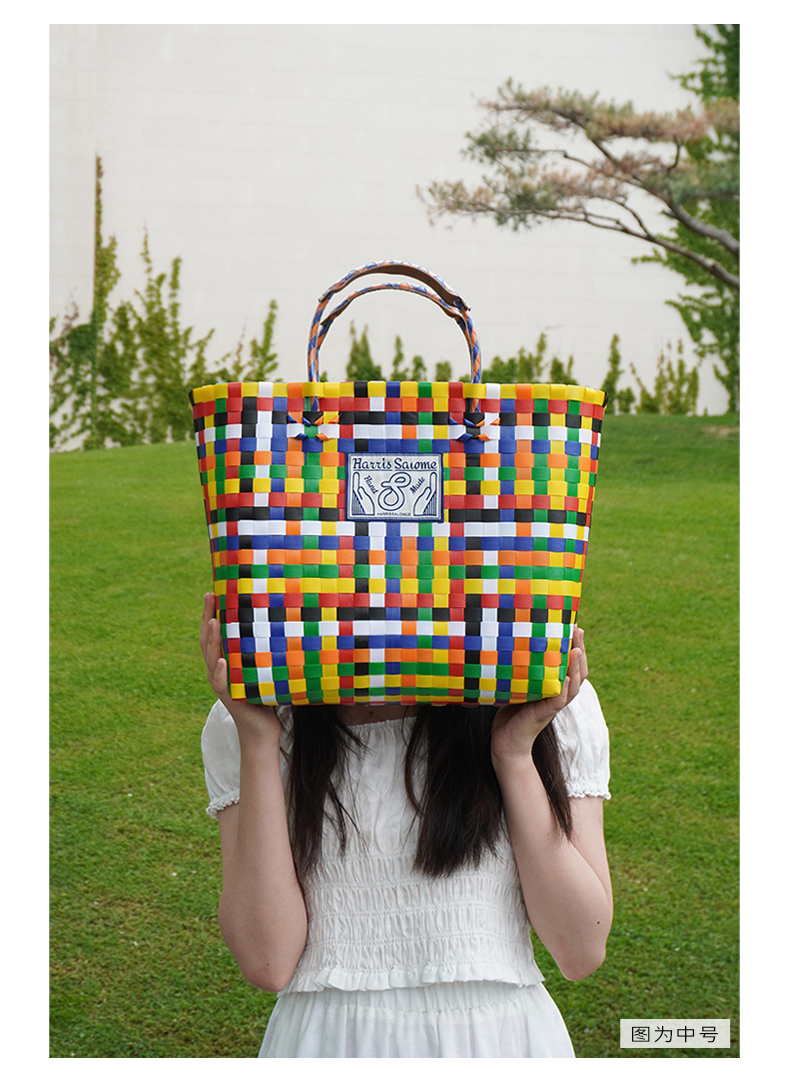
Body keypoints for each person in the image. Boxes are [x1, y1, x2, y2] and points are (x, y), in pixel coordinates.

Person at [199, 591, 612, 1058]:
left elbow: (581, 948)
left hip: (498, 1044)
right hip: (330, 1047)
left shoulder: (542, 699)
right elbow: (267, 961)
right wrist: (257, 740)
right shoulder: (257, 718)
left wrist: (514, 755)